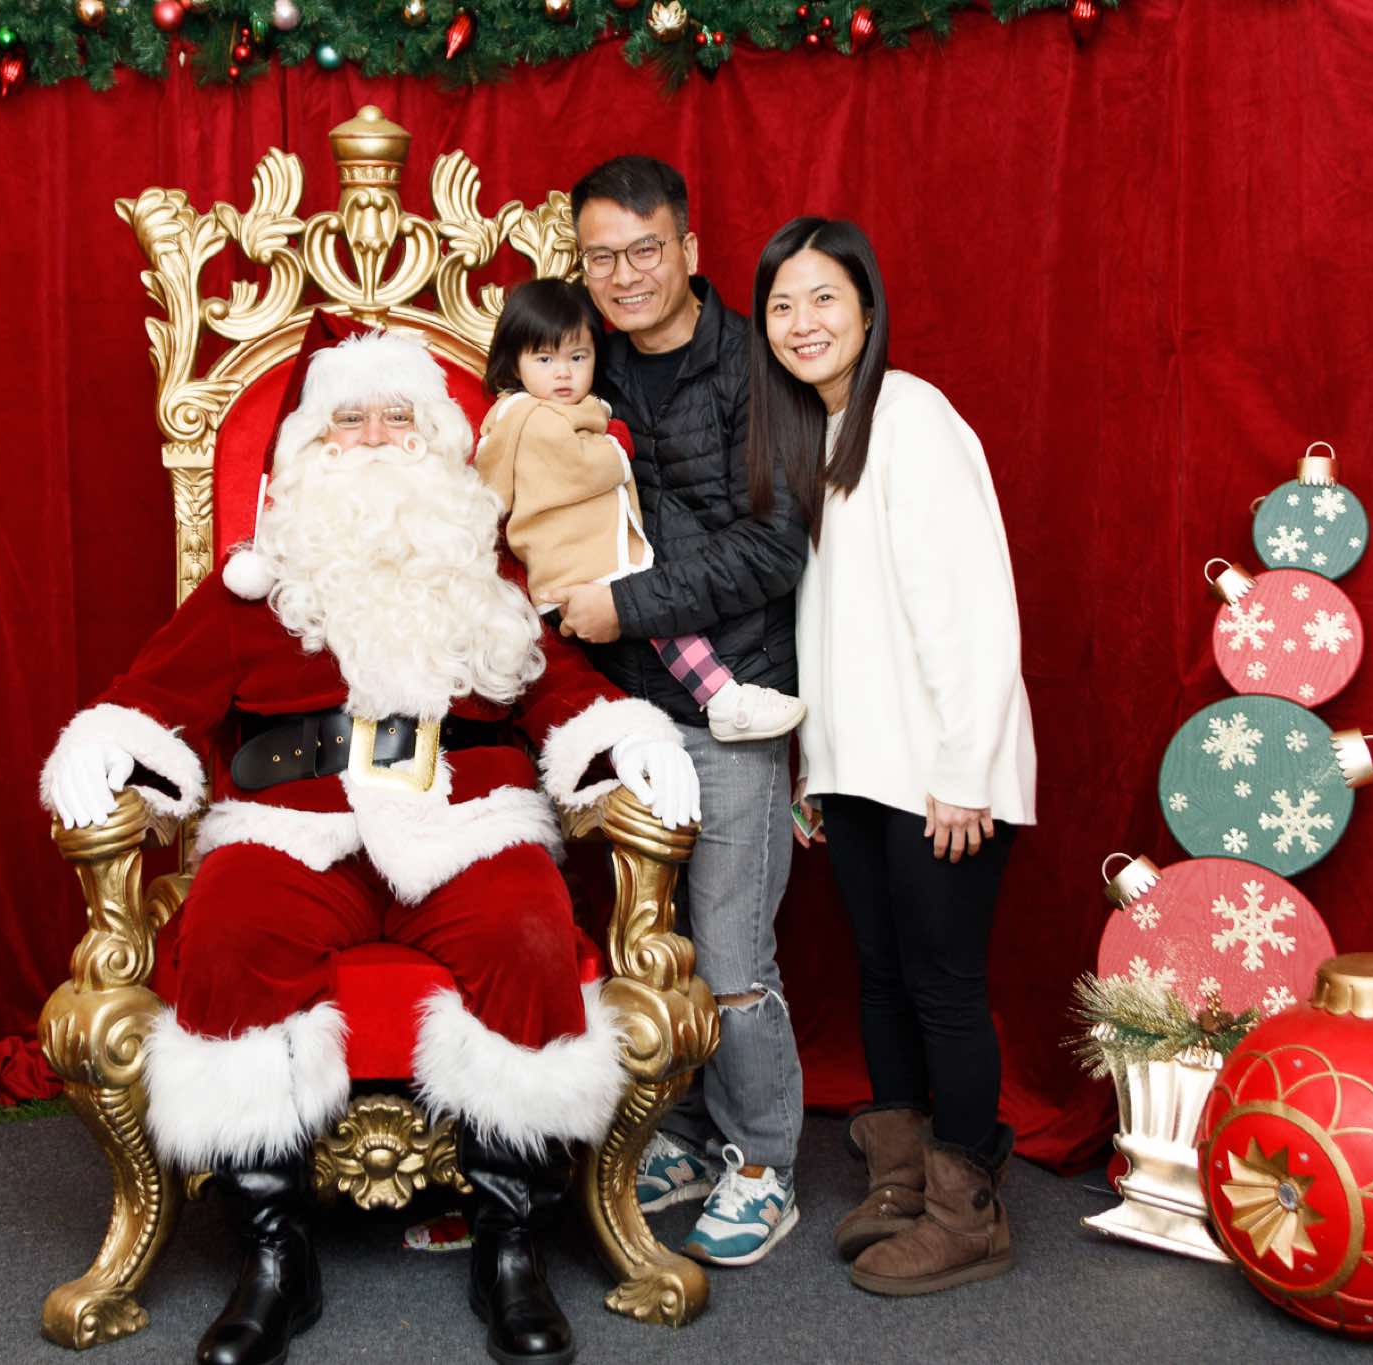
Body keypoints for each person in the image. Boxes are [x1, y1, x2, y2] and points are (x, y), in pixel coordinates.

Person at [40, 324, 701, 1365]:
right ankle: (274, 1253)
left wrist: (626, 734)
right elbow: (151, 693)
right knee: (228, 928)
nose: (377, 437)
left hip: (465, 825)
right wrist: (104, 746)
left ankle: (508, 1245)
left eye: (400, 417)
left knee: (530, 929)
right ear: (311, 446)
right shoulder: (256, 583)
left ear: (436, 441)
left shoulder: (484, 573)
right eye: (349, 418)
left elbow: (559, 689)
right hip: (294, 831)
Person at [747, 216, 1037, 1295]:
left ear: (866, 311)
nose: (801, 322)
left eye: (823, 297)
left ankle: (968, 1213)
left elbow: (971, 611)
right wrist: (813, 770)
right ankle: (903, 1176)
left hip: (938, 774)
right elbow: (831, 627)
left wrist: (964, 770)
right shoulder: (813, 437)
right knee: (880, 976)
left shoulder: (911, 418)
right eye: (780, 305)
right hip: (856, 771)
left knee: (943, 985)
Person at [547, 156, 808, 1268]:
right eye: (600, 256)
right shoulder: (582, 359)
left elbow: (775, 547)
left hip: (731, 701)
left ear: (688, 249)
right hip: (620, 712)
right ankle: (692, 1136)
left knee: (733, 951)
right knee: (647, 942)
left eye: (643, 250)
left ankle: (765, 1163)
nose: (623, 275)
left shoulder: (754, 366)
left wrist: (625, 604)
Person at [475, 277, 807, 743]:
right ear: (515, 362)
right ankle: (724, 698)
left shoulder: (556, 408)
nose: (563, 374)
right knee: (665, 628)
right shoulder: (530, 416)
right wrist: (617, 444)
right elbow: (582, 468)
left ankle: (721, 698)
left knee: (657, 623)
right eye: (544, 360)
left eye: (578, 358)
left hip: (586, 553)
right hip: (575, 560)